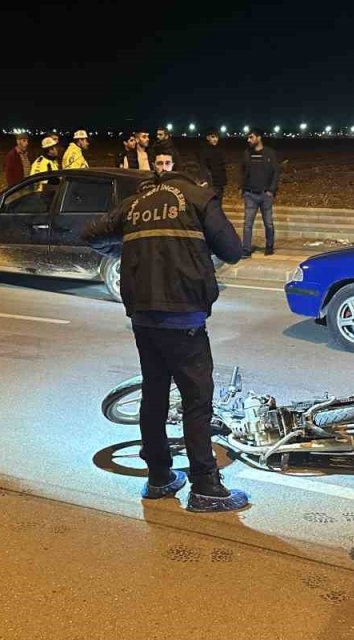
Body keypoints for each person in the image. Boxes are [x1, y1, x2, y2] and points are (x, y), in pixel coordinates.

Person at [80, 148, 248, 513]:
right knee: (196, 401)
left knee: (154, 395)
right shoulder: (199, 197)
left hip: (143, 317)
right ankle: (206, 486)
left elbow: (90, 234)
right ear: (192, 179)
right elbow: (233, 250)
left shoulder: (136, 203)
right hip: (183, 317)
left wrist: (129, 242)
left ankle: (158, 478)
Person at [239, 128, 281, 256]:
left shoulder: (270, 153)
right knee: (247, 224)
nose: (249, 140)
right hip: (250, 194)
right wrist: (242, 188)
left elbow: (275, 172)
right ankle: (246, 250)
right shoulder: (247, 153)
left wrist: (271, 190)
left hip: (265, 194)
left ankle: (269, 247)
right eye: (248, 137)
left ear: (259, 137)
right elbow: (242, 171)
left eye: (251, 137)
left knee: (268, 223)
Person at [198, 129, 227, 202]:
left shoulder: (220, 150)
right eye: (213, 137)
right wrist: (203, 180)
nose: (215, 139)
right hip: (211, 184)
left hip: (220, 184)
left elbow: (222, 166)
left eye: (217, 137)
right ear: (208, 138)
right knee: (211, 205)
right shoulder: (204, 151)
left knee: (218, 205)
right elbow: (203, 166)